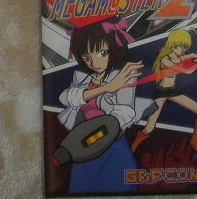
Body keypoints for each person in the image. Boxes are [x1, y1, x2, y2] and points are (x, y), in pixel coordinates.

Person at [58, 18, 150, 194]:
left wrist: (106, 91)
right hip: (82, 150)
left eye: (101, 53)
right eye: (86, 57)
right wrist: (106, 88)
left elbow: (123, 115)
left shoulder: (123, 76)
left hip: (111, 150)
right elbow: (66, 97)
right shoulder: (83, 78)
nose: (93, 63)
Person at [131, 28, 197, 154]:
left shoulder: (176, 57)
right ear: (172, 44)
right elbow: (188, 71)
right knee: (149, 128)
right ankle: (132, 149)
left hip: (172, 91)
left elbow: (186, 56)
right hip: (161, 92)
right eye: (179, 46)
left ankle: (194, 140)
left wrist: (194, 55)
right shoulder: (165, 60)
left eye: (184, 47)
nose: (182, 50)